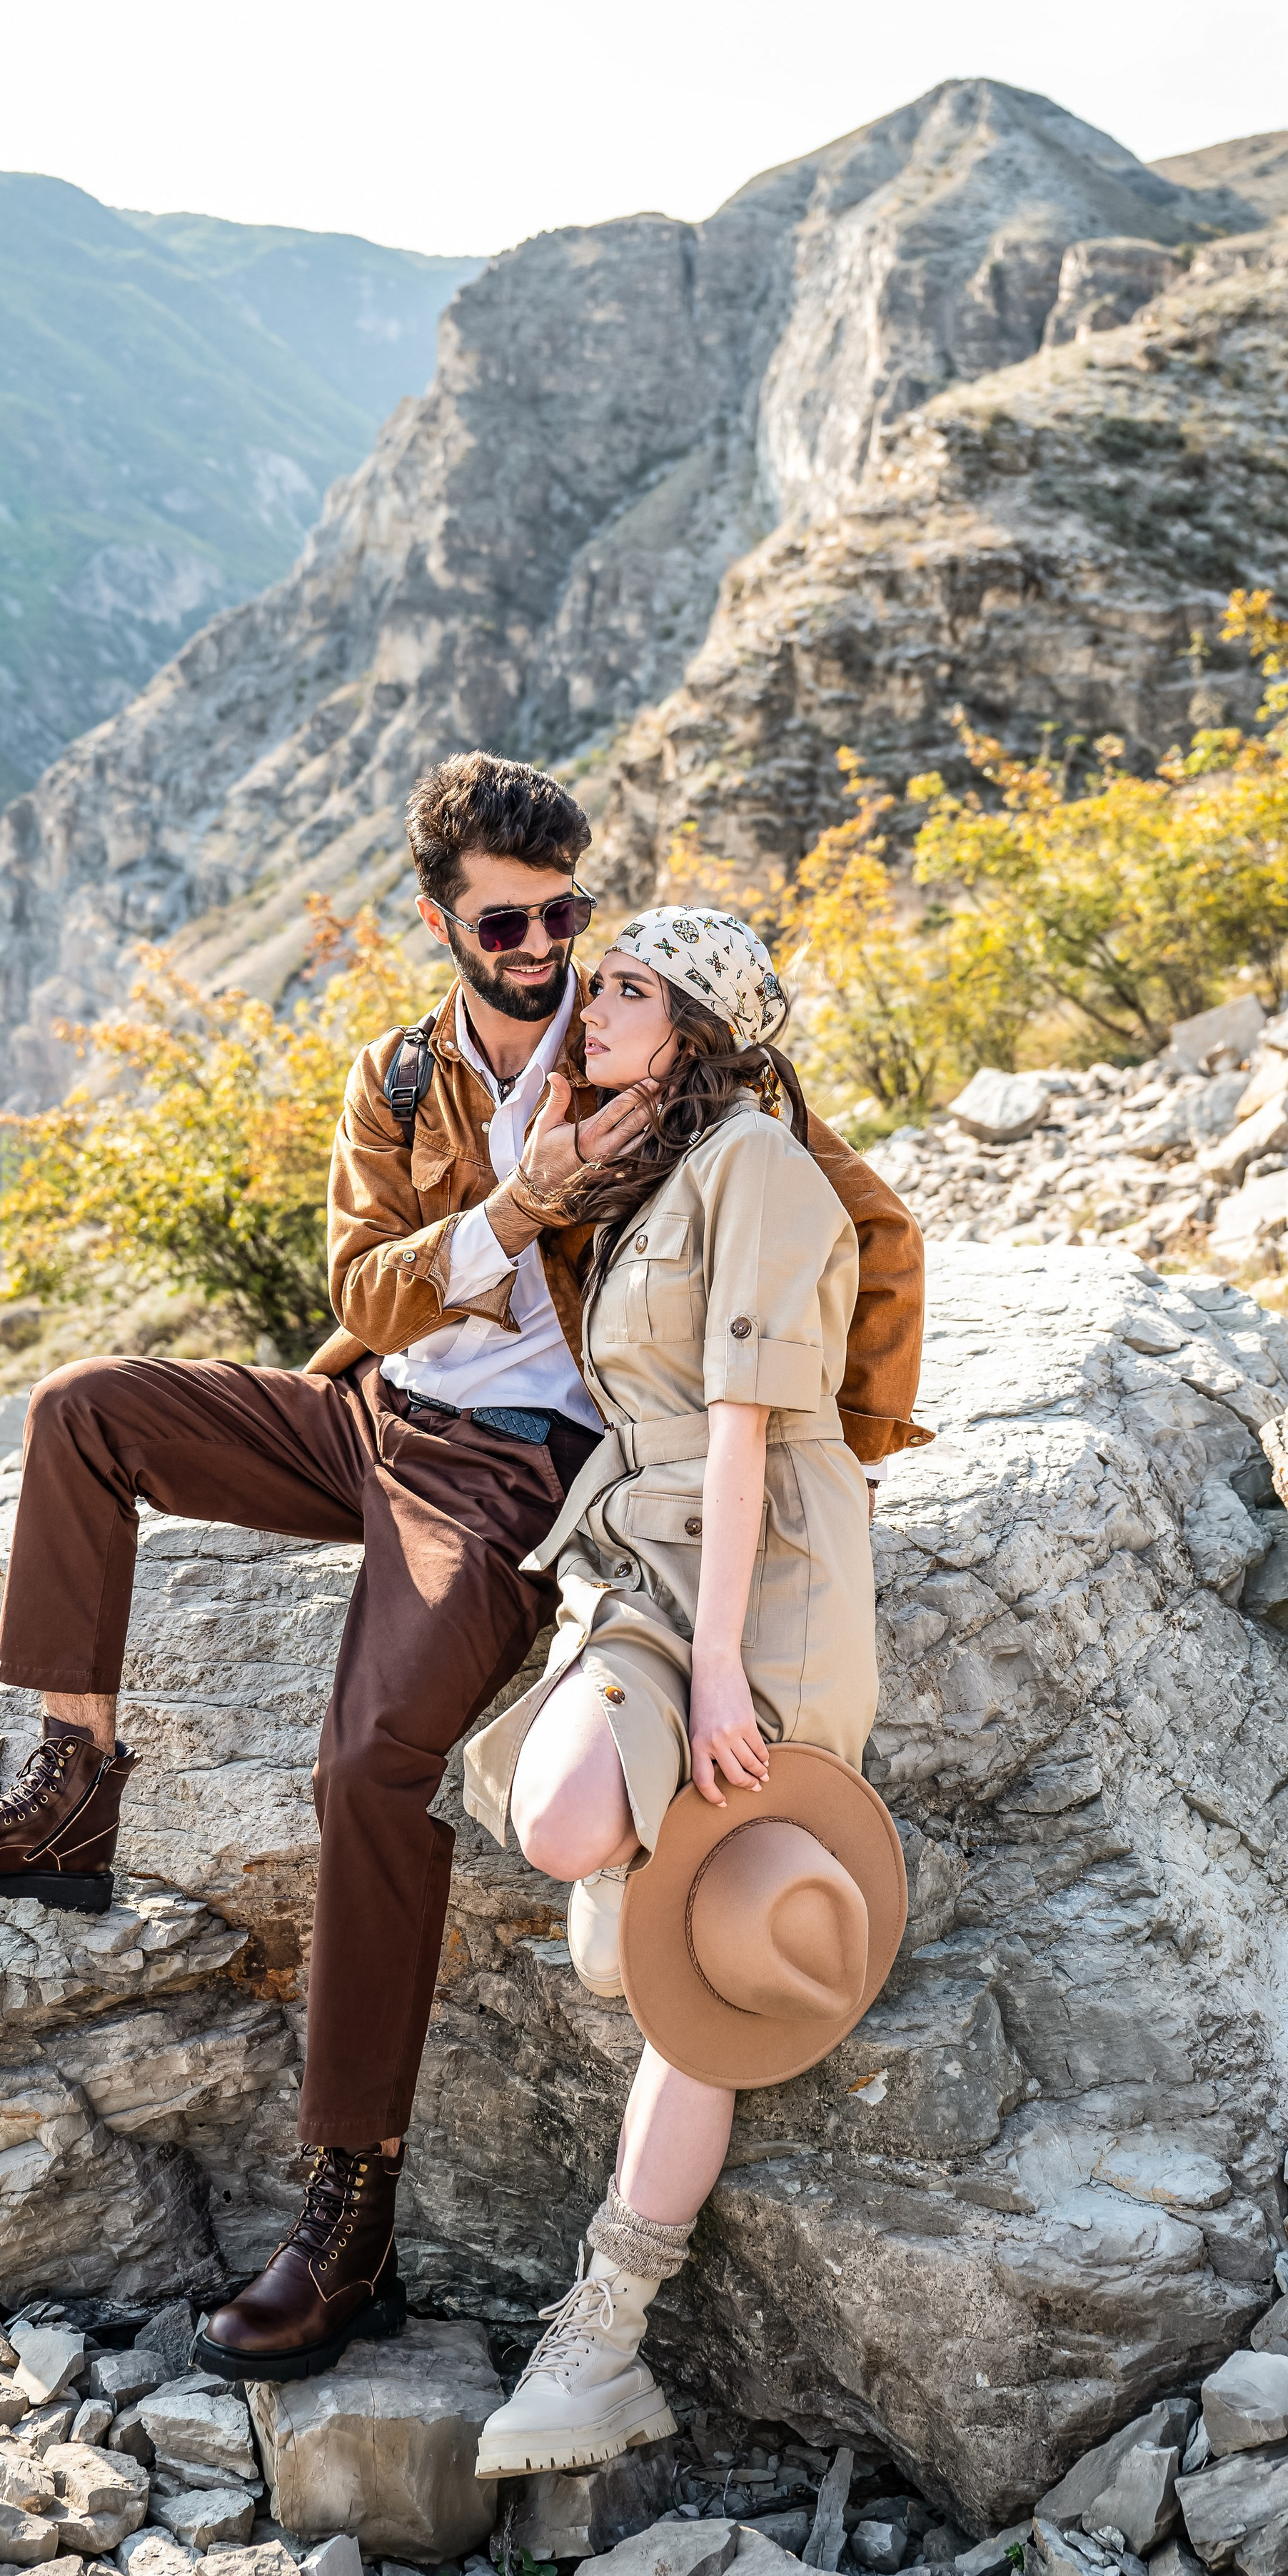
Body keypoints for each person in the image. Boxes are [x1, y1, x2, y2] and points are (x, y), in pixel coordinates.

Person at [0, 755, 927, 2387]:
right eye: (508, 918)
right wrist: (517, 1208)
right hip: (371, 1411)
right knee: (81, 1409)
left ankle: (347, 2208)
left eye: (568, 913)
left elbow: (837, 1212)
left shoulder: (651, 1048)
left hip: (516, 1474)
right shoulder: (399, 1073)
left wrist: (838, 1437)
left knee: (373, 1762)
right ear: (441, 918)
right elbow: (365, 1292)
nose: (546, 945)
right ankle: (71, 1784)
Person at [463, 909, 916, 2477]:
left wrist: (717, 1665)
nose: (586, 1003)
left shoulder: (759, 1172)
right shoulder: (647, 1168)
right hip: (650, 1557)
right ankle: (636, 1855)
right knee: (560, 1815)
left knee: (703, 1960)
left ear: (702, 1025)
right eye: (592, 984)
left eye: (624, 989)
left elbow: (743, 1435)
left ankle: (606, 2326)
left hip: (767, 1581)